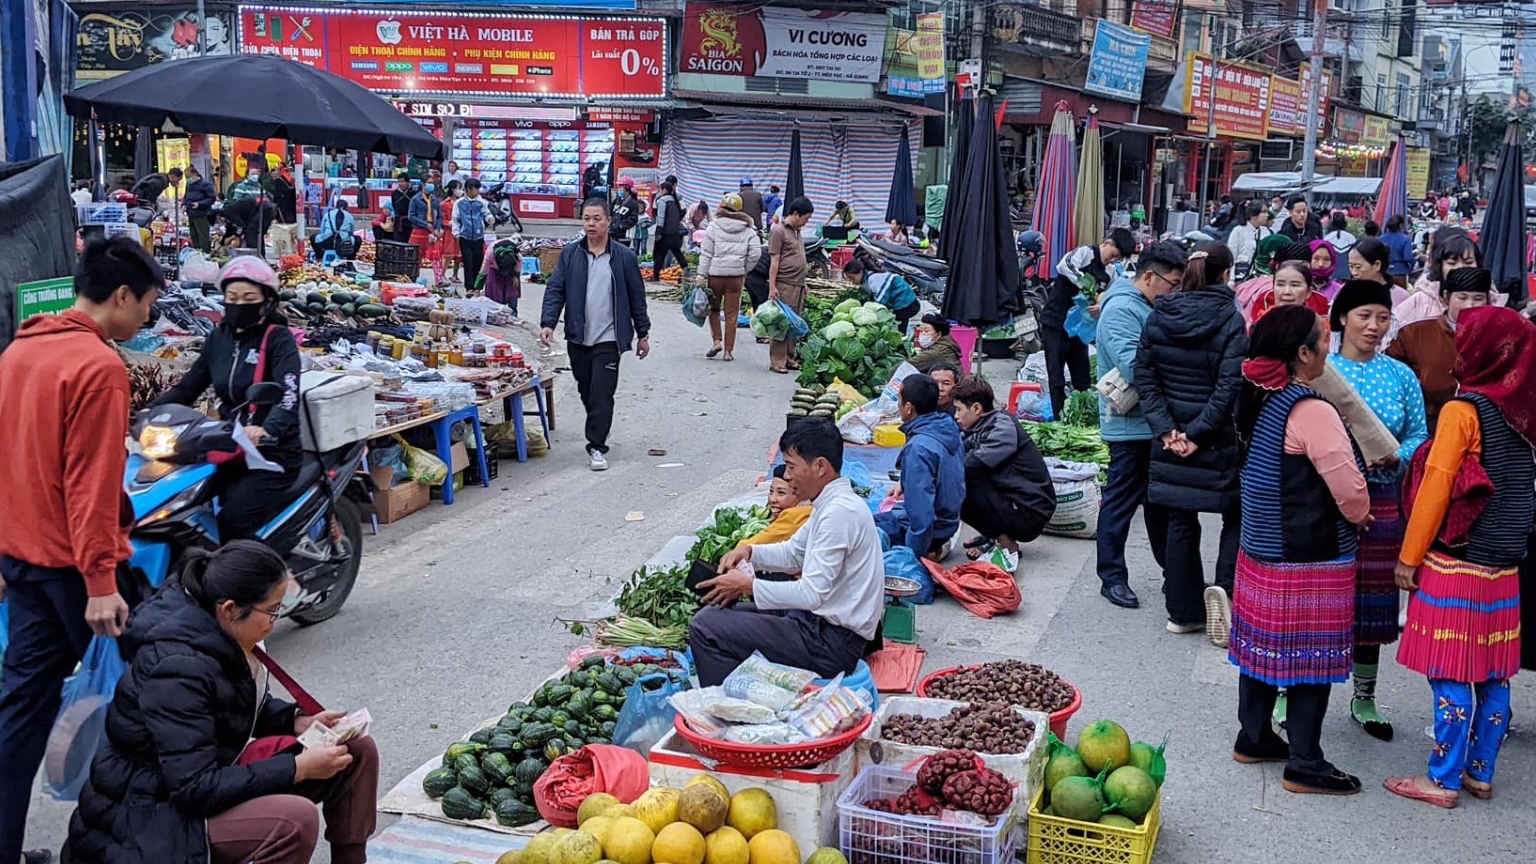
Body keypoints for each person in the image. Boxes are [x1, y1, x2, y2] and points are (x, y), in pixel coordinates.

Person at [63, 543, 378, 864]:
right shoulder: (176, 669)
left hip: (205, 780)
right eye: (272, 610)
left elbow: (233, 703)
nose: (276, 618)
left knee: (356, 751)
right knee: (293, 821)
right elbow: (193, 789)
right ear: (229, 608)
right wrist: (298, 768)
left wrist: (296, 720)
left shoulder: (218, 629)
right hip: (149, 815)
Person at [0, 238, 160, 864]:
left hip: (24, 561)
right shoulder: (98, 367)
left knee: (21, 713)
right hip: (73, 569)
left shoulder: (19, 352)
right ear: (121, 296)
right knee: (154, 695)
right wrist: (100, 581)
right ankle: (143, 842)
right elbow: (91, 484)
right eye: (146, 304)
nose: (147, 317)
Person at [1386, 306, 1535, 808]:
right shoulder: (1525, 414)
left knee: (1450, 670)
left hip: (1459, 560)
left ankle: (1442, 779)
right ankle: (1480, 772)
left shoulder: (1462, 412)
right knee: (1494, 672)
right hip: (1506, 562)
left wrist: (1409, 556)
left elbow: (1436, 489)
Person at [1229, 304, 1371, 796]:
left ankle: (1254, 737)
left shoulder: (1256, 396)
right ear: (1302, 353)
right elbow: (1349, 489)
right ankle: (1305, 762)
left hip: (1261, 548)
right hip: (1310, 555)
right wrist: (1360, 516)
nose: (1328, 347)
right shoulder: (1309, 409)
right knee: (1312, 660)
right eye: (1322, 339)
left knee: (1261, 652)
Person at [692, 419, 883, 686]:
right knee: (722, 610)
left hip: (831, 643)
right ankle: (747, 689)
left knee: (706, 626)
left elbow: (812, 593)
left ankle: (730, 705)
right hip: (815, 622)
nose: (787, 475)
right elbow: (794, 553)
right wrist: (749, 552)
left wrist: (749, 586)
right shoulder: (829, 505)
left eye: (792, 466)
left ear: (820, 466)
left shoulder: (839, 513)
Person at [1323, 279, 1427, 741]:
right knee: (1319, 600)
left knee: (1371, 607)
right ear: (1343, 318)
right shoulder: (1320, 371)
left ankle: (1364, 697)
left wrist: (1397, 457)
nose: (1374, 326)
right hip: (1324, 502)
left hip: (1384, 502)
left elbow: (1419, 437)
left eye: (1383, 317)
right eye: (1365, 315)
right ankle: (1291, 690)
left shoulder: (1400, 376)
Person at [1133, 242, 1248, 642]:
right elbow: (1227, 386)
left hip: (1168, 439)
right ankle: (1224, 593)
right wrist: (1198, 433)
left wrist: (1168, 430)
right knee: (1234, 513)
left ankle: (1182, 612)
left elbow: (1144, 377)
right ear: (1225, 275)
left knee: (1180, 519)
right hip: (1213, 439)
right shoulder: (1231, 320)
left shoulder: (1159, 315)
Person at [151, 257, 302, 541]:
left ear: (266, 301)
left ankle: (276, 582)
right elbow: (187, 389)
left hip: (271, 453)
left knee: (233, 522)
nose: (239, 304)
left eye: (248, 297)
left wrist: (268, 428)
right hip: (228, 444)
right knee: (178, 502)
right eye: (232, 297)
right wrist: (146, 413)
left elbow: (289, 393)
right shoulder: (219, 339)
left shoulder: (278, 339)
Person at [1094, 240, 1186, 610]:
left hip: (1153, 423)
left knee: (1159, 504)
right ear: (1150, 276)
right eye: (1172, 283)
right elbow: (1135, 367)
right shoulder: (1120, 311)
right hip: (1130, 425)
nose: (1174, 291)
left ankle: (1174, 575)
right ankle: (1111, 576)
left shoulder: (1143, 304)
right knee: (1121, 501)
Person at [541, 198, 652, 471]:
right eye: (587, 218)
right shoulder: (571, 254)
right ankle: (598, 426)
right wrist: (548, 323)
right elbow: (556, 289)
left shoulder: (623, 257)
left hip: (609, 338)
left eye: (596, 219)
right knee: (586, 389)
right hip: (578, 336)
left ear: (608, 222)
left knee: (602, 393)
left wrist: (643, 333)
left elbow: (637, 297)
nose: (591, 224)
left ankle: (597, 446)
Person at [952, 375, 1055, 570]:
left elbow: (968, 466)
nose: (956, 416)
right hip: (1016, 499)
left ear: (976, 408)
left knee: (959, 487)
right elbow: (959, 449)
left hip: (1030, 511)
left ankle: (1006, 542)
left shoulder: (1001, 429)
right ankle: (996, 535)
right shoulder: (984, 423)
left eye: (959, 410)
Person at [1041, 228, 1134, 418]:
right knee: (1056, 375)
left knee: (1082, 376)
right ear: (1107, 243)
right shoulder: (1085, 253)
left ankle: (1082, 416)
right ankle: (1059, 417)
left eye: (1117, 259)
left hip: (1079, 330)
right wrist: (1085, 284)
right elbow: (1063, 266)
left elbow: (1112, 294)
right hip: (1056, 321)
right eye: (1113, 255)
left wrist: (1101, 305)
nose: (1112, 260)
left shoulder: (1110, 272)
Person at [1388, 267, 1493, 433]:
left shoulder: (1500, 336)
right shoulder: (1414, 333)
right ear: (1446, 298)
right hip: (1429, 422)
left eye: (1478, 298)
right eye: (1462, 297)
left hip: (1485, 425)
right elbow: (1392, 376)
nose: (1470, 305)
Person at [872, 375, 964, 561]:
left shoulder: (919, 448)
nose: (898, 405)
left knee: (859, 528)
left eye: (899, 400)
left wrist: (913, 557)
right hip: (948, 522)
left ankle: (929, 553)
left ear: (908, 407)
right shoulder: (946, 427)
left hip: (933, 530)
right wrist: (905, 481)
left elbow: (921, 517)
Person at [697, 192, 761, 362]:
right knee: (732, 314)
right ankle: (728, 351)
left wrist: (700, 275)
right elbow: (755, 254)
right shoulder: (748, 229)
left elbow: (706, 253)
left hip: (715, 276)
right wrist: (743, 269)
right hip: (736, 277)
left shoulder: (713, 226)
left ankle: (717, 341)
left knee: (714, 309)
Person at [1398, 227, 1490, 327]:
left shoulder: (1493, 300)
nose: (1460, 268)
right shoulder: (1417, 304)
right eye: (1452, 263)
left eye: (1468, 262)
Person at [767, 197, 813, 374]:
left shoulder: (797, 231)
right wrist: (772, 286)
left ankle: (789, 358)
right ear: (795, 214)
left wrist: (805, 284)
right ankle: (777, 361)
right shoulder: (779, 231)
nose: (806, 222)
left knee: (794, 323)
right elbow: (775, 260)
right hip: (784, 284)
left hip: (798, 284)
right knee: (780, 324)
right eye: (805, 218)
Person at [739, 464, 813, 548]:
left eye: (781, 493)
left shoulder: (794, 516)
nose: (772, 499)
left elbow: (747, 547)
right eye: (771, 491)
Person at [842, 259, 919, 333]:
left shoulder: (873, 279)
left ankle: (901, 342)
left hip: (905, 302)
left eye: (852, 278)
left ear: (861, 272)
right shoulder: (868, 278)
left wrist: (870, 313)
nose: (852, 281)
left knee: (899, 328)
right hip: (901, 301)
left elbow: (881, 299)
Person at [451, 178, 491, 291]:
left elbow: (486, 213)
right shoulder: (459, 203)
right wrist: (456, 233)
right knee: (468, 263)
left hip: (479, 237)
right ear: (468, 189)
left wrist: (489, 218)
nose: (478, 191)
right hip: (465, 237)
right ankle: (469, 288)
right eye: (476, 189)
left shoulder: (481, 202)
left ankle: (477, 287)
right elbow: (455, 219)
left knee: (478, 263)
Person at [650, 182, 687, 281]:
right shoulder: (675, 200)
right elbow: (682, 212)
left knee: (658, 254)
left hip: (665, 233)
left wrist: (659, 230)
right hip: (675, 233)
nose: (660, 192)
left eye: (660, 190)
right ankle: (686, 270)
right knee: (678, 253)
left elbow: (661, 217)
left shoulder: (662, 201)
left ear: (664, 190)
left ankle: (656, 276)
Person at [480, 236, 523, 316]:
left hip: (511, 271)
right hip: (495, 271)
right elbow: (483, 272)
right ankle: (495, 311)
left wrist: (515, 276)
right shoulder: (490, 253)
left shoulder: (516, 254)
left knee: (512, 289)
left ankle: (513, 312)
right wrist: (477, 288)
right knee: (495, 292)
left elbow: (519, 265)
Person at [1227, 201, 1272, 277]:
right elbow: (1231, 257)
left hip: (1260, 276)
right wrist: (1231, 280)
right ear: (1253, 215)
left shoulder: (1266, 232)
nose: (1267, 215)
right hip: (1241, 275)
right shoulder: (1238, 231)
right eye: (1264, 212)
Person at [183, 165, 217, 253]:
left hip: (202, 214)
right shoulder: (189, 185)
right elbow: (186, 196)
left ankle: (205, 254)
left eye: (189, 177)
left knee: (203, 236)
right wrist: (184, 204)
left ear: (195, 175)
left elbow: (212, 198)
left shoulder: (206, 184)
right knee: (194, 235)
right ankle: (196, 252)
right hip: (191, 213)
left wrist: (200, 204)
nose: (188, 179)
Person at [407, 180, 442, 266]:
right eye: (429, 182)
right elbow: (411, 216)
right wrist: (425, 225)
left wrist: (437, 228)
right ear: (423, 184)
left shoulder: (435, 199)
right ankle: (413, 277)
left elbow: (439, 216)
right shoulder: (415, 199)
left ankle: (439, 279)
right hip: (419, 230)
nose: (431, 185)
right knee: (415, 257)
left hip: (432, 232)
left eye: (432, 182)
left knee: (435, 256)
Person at [1382, 214, 1414, 287]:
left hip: (1385, 273)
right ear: (1401, 225)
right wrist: (1411, 266)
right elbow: (1408, 257)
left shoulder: (1381, 239)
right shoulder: (1405, 239)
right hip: (1400, 273)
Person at [1323, 212, 1356, 282]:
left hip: (1332, 276)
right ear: (1345, 222)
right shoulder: (1351, 238)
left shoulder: (1327, 238)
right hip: (1348, 275)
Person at [610, 180, 641, 246]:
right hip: (613, 233)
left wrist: (621, 226)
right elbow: (611, 212)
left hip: (624, 235)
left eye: (621, 187)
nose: (619, 189)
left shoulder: (634, 203)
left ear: (627, 188)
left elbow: (633, 219)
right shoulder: (618, 200)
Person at [390, 176, 414, 243]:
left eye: (402, 181)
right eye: (399, 181)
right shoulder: (395, 193)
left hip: (410, 222)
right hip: (399, 222)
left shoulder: (413, 193)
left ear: (408, 182)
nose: (400, 183)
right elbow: (394, 206)